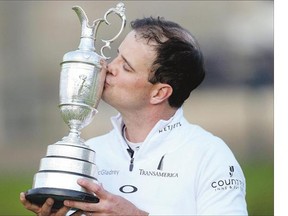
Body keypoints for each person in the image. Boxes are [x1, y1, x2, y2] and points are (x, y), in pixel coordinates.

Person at [20, 16, 247, 216]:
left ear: (159, 93)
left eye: (126, 67)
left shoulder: (210, 156)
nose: (108, 67)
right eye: (117, 56)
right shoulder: (90, 152)